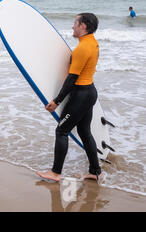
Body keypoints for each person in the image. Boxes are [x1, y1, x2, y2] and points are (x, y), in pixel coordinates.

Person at [36, 13, 103, 183]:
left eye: (75, 23)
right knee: (84, 131)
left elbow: (72, 78)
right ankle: (95, 171)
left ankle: (55, 173)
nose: (73, 26)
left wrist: (56, 101)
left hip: (81, 95)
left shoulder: (82, 48)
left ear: (83, 26)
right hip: (89, 92)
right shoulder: (92, 43)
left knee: (62, 131)